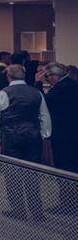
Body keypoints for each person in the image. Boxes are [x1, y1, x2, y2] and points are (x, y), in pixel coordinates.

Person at [0, 64, 51, 222]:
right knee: (32, 173)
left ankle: (19, 210)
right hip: (32, 136)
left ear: (9, 76)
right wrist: (44, 134)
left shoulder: (4, 93)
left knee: (12, 175)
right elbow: (44, 116)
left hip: (11, 136)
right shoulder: (36, 92)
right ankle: (37, 212)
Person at [42, 62, 78, 214]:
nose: (47, 80)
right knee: (73, 167)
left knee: (64, 168)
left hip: (63, 135)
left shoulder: (60, 89)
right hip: (73, 132)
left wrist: (37, 85)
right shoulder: (73, 85)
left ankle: (68, 204)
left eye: (47, 76)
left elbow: (44, 103)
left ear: (55, 76)